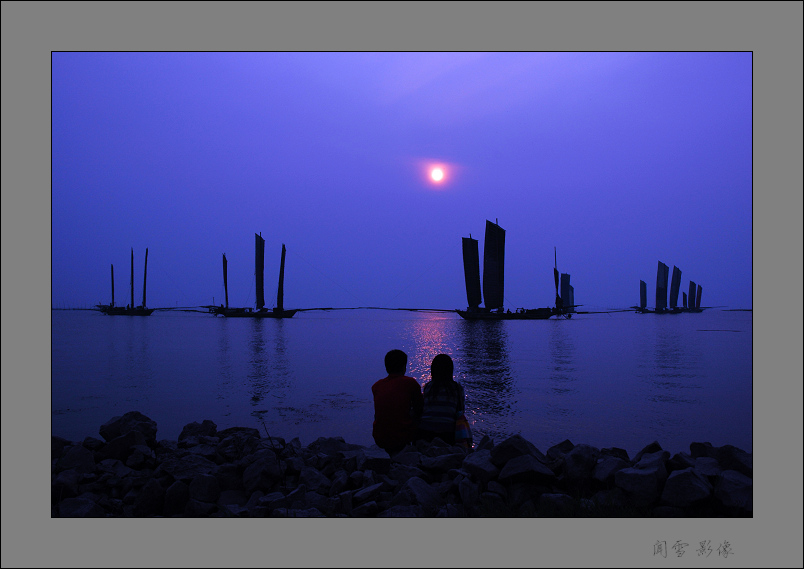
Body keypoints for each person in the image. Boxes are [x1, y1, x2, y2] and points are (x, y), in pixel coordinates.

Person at [371, 349, 424, 456]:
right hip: (402, 438)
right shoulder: (410, 383)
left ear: (386, 367)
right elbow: (420, 408)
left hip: (379, 438)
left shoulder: (376, 386)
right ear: (404, 367)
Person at [416, 354, 465, 446]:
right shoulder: (457, 388)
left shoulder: (428, 387)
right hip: (448, 433)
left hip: (425, 432)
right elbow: (461, 411)